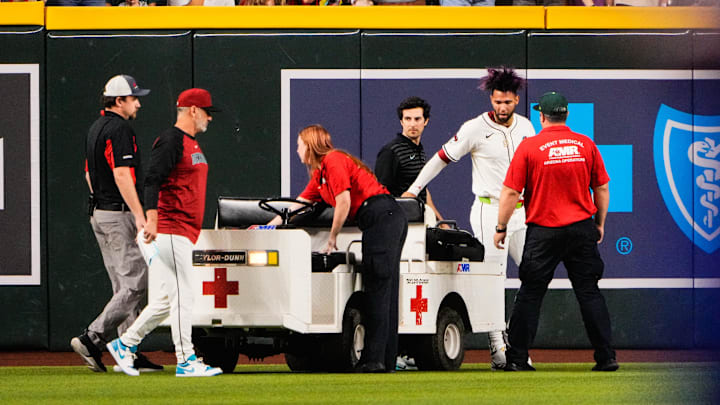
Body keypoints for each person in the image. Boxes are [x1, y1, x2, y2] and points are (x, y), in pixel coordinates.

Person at [402, 67, 535, 370]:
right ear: (491, 98)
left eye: (508, 102)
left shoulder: (527, 127)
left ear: (517, 99)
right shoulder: (476, 127)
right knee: (494, 280)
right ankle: (499, 349)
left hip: (523, 210)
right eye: (497, 101)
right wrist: (414, 189)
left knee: (534, 277)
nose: (502, 107)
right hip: (490, 209)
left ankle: (517, 342)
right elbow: (441, 157)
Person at [494, 91, 618, 372]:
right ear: (566, 115)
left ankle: (516, 360)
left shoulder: (530, 147)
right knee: (589, 292)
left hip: (543, 231)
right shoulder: (585, 144)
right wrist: (599, 223)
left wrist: (501, 227)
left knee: (530, 294)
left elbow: (511, 192)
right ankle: (607, 357)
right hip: (580, 228)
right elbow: (601, 188)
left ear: (541, 116)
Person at [269, 124, 408, 373]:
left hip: (381, 215)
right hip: (384, 217)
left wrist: (332, 238)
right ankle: (384, 360)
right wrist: (266, 228)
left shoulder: (333, 161)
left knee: (377, 288)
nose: (297, 150)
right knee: (383, 289)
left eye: (299, 145)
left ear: (311, 145)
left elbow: (343, 202)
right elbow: (297, 206)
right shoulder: (319, 176)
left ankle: (374, 360)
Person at [107, 88, 222, 377]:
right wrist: (152, 219)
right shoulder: (172, 140)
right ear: (193, 110)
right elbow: (152, 180)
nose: (210, 117)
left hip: (180, 229)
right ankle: (186, 360)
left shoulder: (188, 143)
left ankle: (125, 344)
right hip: (170, 228)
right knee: (184, 295)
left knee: (163, 301)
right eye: (207, 111)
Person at [72, 74, 162, 374]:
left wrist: (104, 203)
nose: (138, 103)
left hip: (99, 212)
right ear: (119, 101)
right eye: (134, 98)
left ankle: (129, 352)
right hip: (117, 213)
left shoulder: (96, 127)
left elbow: (88, 175)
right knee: (137, 282)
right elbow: (123, 174)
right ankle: (92, 338)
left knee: (124, 285)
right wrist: (139, 214)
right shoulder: (120, 128)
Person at [375, 96, 445, 226]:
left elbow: (421, 188)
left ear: (426, 121)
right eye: (408, 119)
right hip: (400, 225)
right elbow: (380, 195)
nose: (412, 124)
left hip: (420, 221)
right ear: (401, 121)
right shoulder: (391, 151)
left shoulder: (419, 150)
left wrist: (439, 221)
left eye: (417, 119)